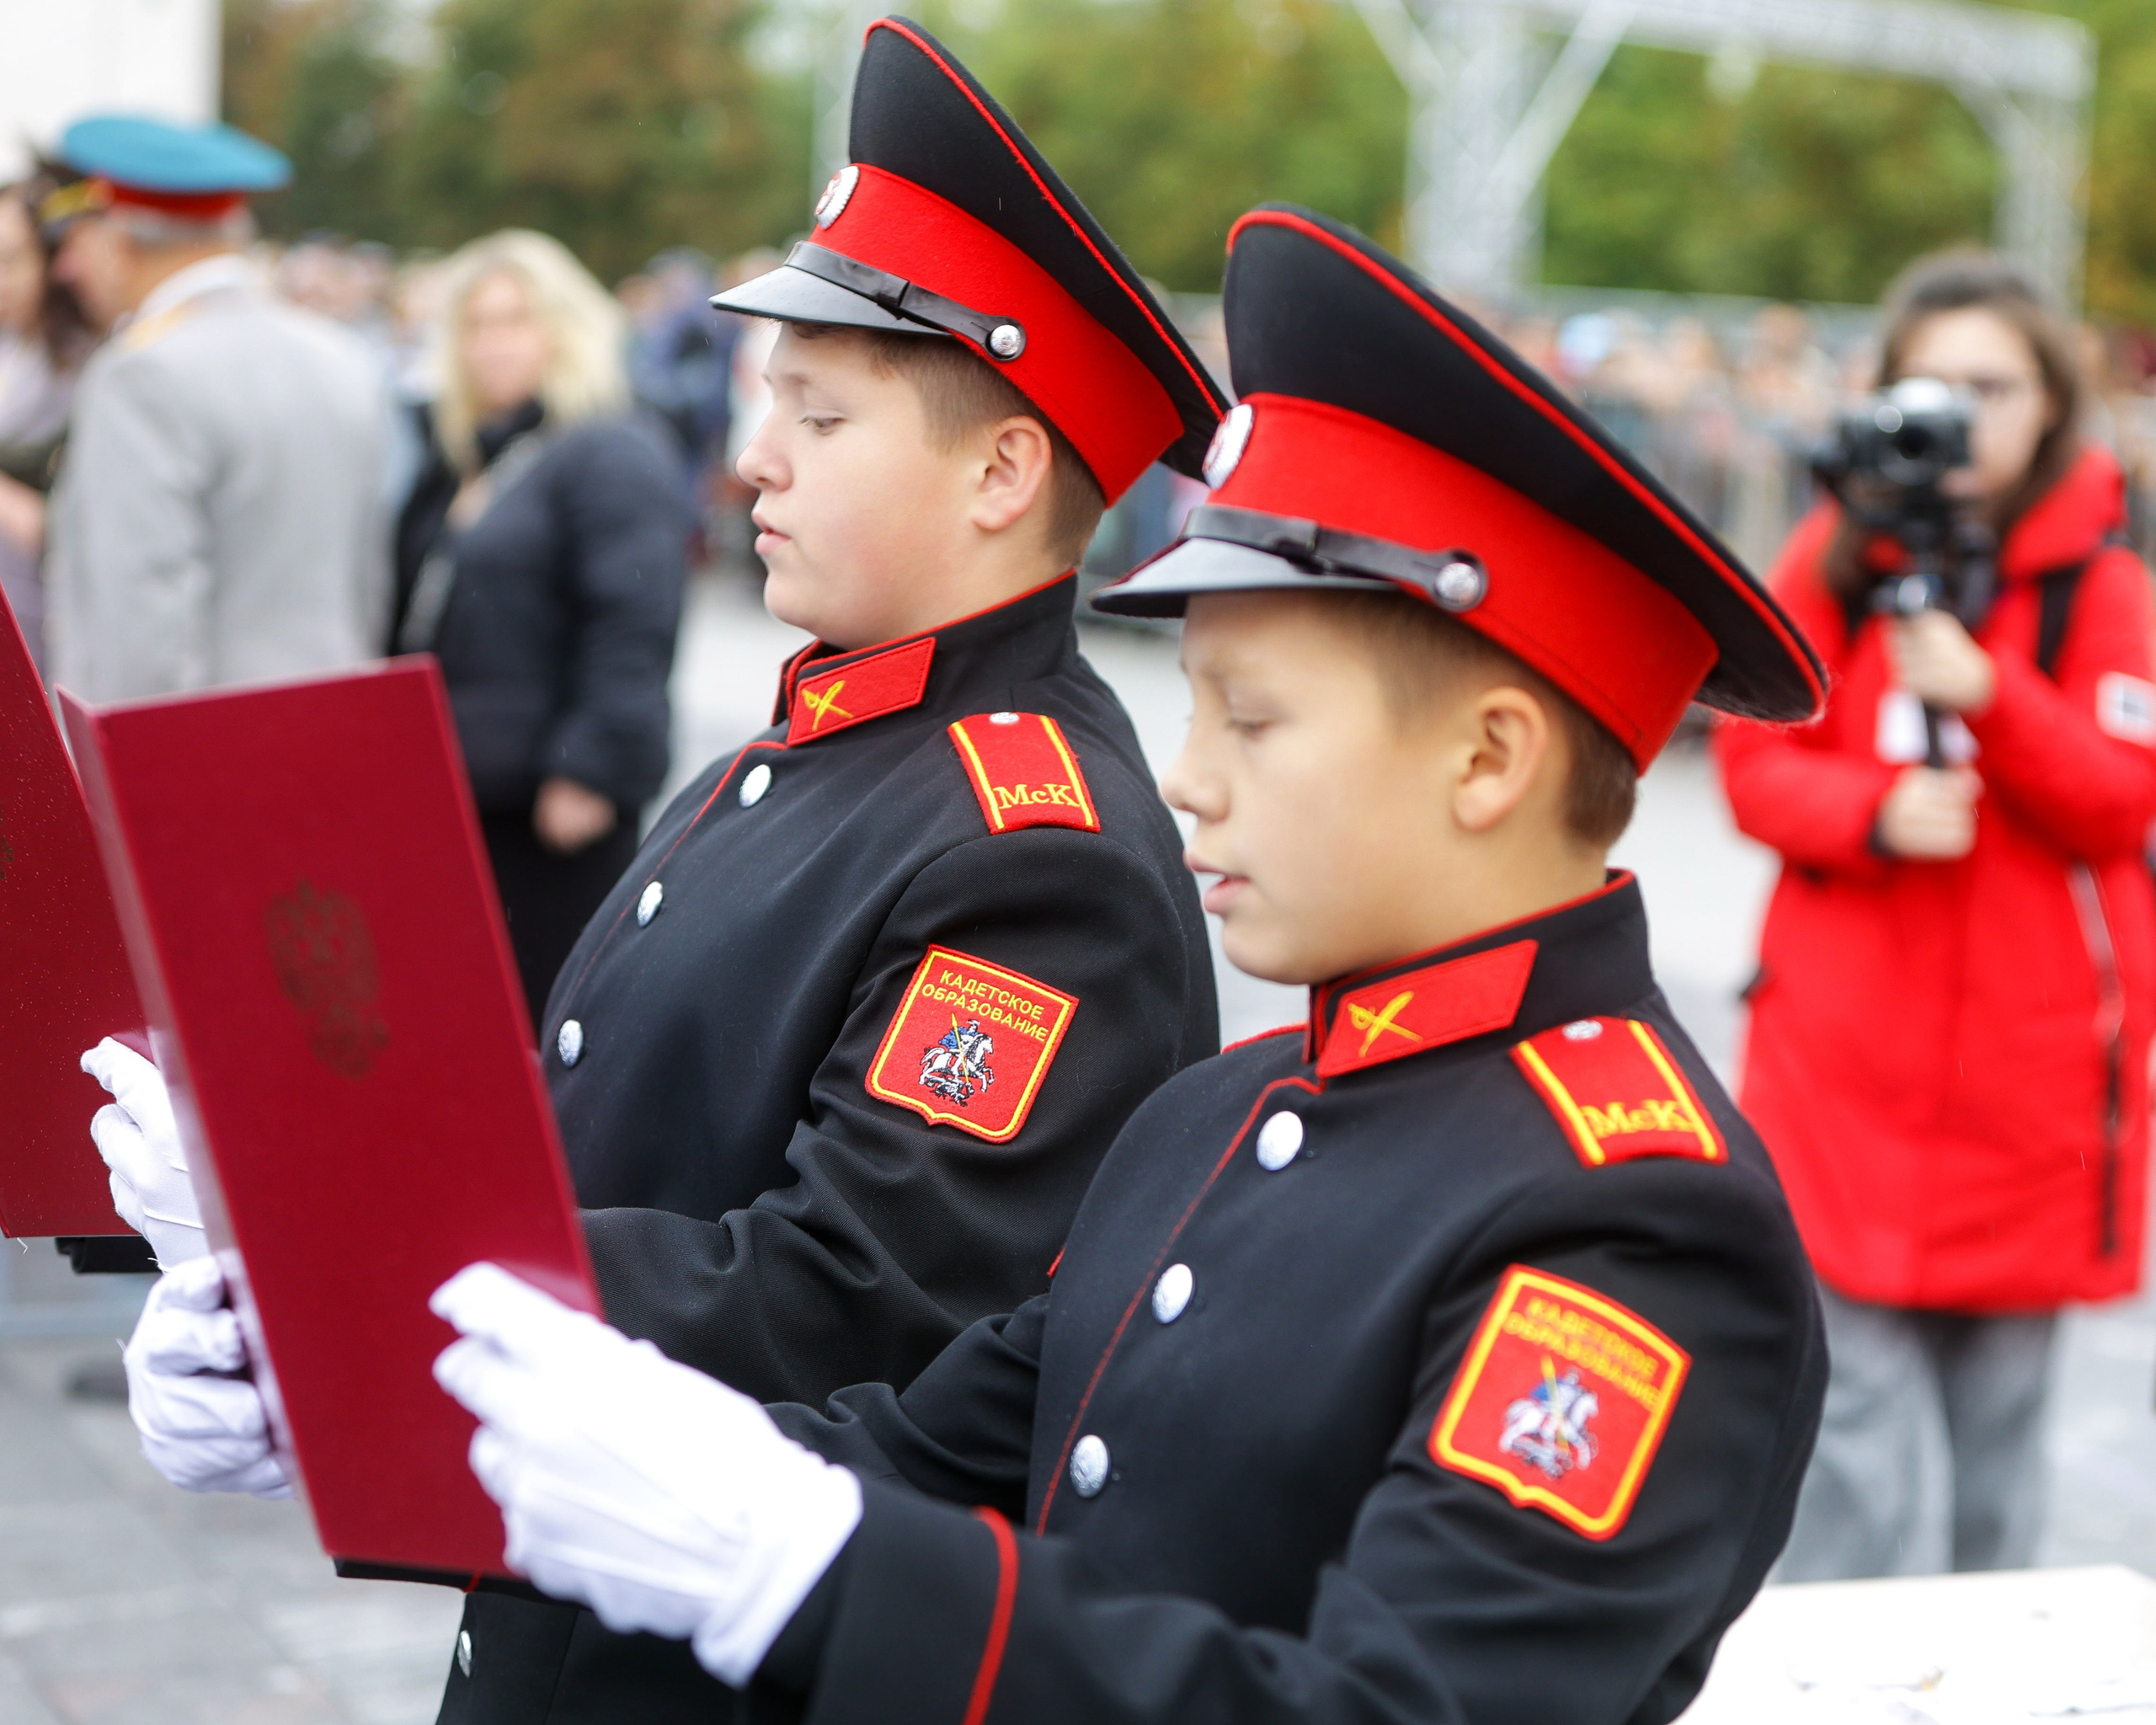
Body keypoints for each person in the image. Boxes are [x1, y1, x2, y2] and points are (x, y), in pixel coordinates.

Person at [412, 206, 1830, 1721]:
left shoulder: (1637, 1221)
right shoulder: (1219, 1116)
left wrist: (807, 1564)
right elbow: (925, 1450)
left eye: (1255, 718)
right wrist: (481, 1402)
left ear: (1489, 758)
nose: (1191, 778)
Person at [87, 19, 1227, 1723]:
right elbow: (596, 1140)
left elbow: (841, 1292)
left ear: (1001, 472)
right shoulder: (816, 743)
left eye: (816, 413)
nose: (752, 454)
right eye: (768, 398)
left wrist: (365, 1270)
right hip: (565, 1615)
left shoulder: (1033, 844)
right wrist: (299, 1235)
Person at [1713, 250, 2156, 1581]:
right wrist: (1869, 811)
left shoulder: (2104, 590)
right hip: (1844, 1081)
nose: (1962, 414)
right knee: (1840, 1436)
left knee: (1998, 1459)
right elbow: (1753, 763)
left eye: (1993, 385)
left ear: (2049, 405)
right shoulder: (1831, 557)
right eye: (1936, 383)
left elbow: (2121, 801)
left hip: (2027, 1096)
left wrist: (1994, 694)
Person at [393, 229, 689, 1024]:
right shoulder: (467, 453)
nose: (493, 343)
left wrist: (591, 769)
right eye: (476, 323)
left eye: (516, 319)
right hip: (454, 801)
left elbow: (635, 619)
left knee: (534, 1033)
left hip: (550, 812)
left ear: (565, 327)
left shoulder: (609, 447)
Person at [40, 115, 389, 701]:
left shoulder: (141, 375)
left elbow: (141, 635)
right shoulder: (340, 354)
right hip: (328, 737)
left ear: (119, 240)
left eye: (75, 240)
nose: (66, 269)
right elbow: (364, 589)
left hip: (199, 760)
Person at [0, 170, 96, 670]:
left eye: (11, 260)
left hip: (46, 621)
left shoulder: (87, 371)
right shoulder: (13, 352)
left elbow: (78, 531)